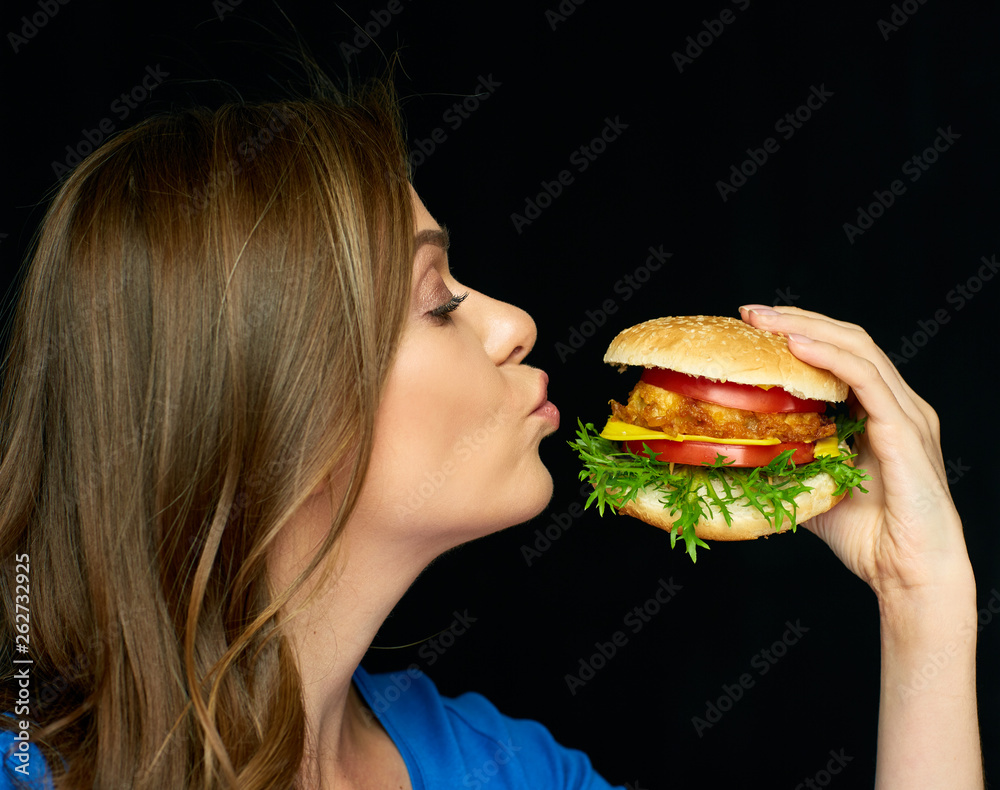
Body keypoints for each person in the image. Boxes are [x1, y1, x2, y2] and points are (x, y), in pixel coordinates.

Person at [0, 77, 983, 789]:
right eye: (437, 301)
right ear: (264, 409)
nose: (512, 320)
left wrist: (924, 605)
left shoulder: (506, 770)